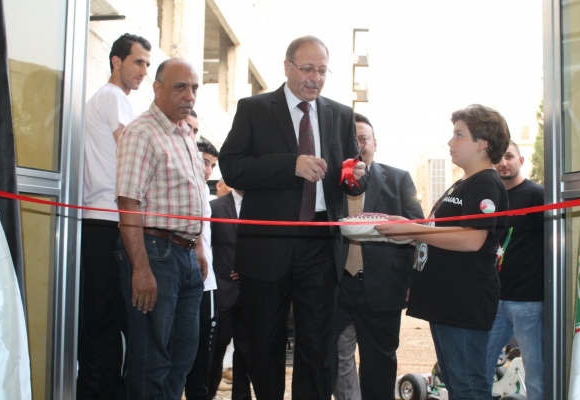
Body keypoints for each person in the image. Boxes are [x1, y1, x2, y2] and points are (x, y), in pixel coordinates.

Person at [218, 35, 368, 399]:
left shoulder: (340, 115)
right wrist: (291, 165)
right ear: (287, 67)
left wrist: (354, 178)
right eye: (308, 69)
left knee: (317, 347)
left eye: (322, 70)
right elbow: (232, 167)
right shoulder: (254, 109)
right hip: (268, 244)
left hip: (320, 243)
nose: (315, 78)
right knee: (263, 343)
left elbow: (349, 172)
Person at [376, 104, 510, 400]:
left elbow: (473, 239)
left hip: (463, 303)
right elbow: (442, 235)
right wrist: (408, 227)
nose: (451, 142)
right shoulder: (464, 183)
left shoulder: (485, 182)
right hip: (448, 303)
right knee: (456, 383)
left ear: (482, 143)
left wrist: (413, 230)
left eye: (459, 135)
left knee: (468, 386)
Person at [115, 58, 207, 399]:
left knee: (182, 359)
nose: (189, 96)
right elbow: (128, 204)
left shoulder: (185, 133)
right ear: (157, 88)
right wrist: (141, 269)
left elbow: (190, 197)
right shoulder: (142, 132)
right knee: (151, 361)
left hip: (186, 256)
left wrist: (198, 247)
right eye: (180, 87)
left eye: (194, 88)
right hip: (154, 254)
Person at [78, 33, 151, 399]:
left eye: (148, 64)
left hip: (100, 221)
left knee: (100, 326)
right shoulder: (113, 97)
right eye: (138, 62)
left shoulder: (101, 98)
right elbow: (132, 154)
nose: (144, 71)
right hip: (110, 222)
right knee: (117, 326)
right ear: (116, 61)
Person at [332, 113, 424, 400]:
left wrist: (412, 281)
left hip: (384, 285)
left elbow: (417, 231)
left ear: (375, 143)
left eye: (363, 138)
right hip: (338, 284)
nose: (358, 145)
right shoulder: (330, 182)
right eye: (352, 139)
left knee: (379, 363)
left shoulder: (397, 179)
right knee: (334, 358)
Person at [486, 140, 544, 400]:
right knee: (479, 365)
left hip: (529, 302)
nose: (503, 163)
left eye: (509, 156)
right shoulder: (492, 200)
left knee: (537, 374)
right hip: (496, 300)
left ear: (521, 161)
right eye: (498, 158)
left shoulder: (537, 195)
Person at [208, 188, 253, 400]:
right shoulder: (215, 207)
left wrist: (249, 269)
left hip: (251, 293)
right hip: (221, 293)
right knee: (215, 349)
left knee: (246, 352)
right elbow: (206, 248)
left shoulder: (263, 207)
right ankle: (207, 393)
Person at [185, 139, 220, 400]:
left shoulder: (207, 196)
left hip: (207, 284)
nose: (208, 170)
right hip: (182, 278)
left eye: (212, 165)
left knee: (202, 358)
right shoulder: (181, 187)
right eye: (204, 162)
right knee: (180, 353)